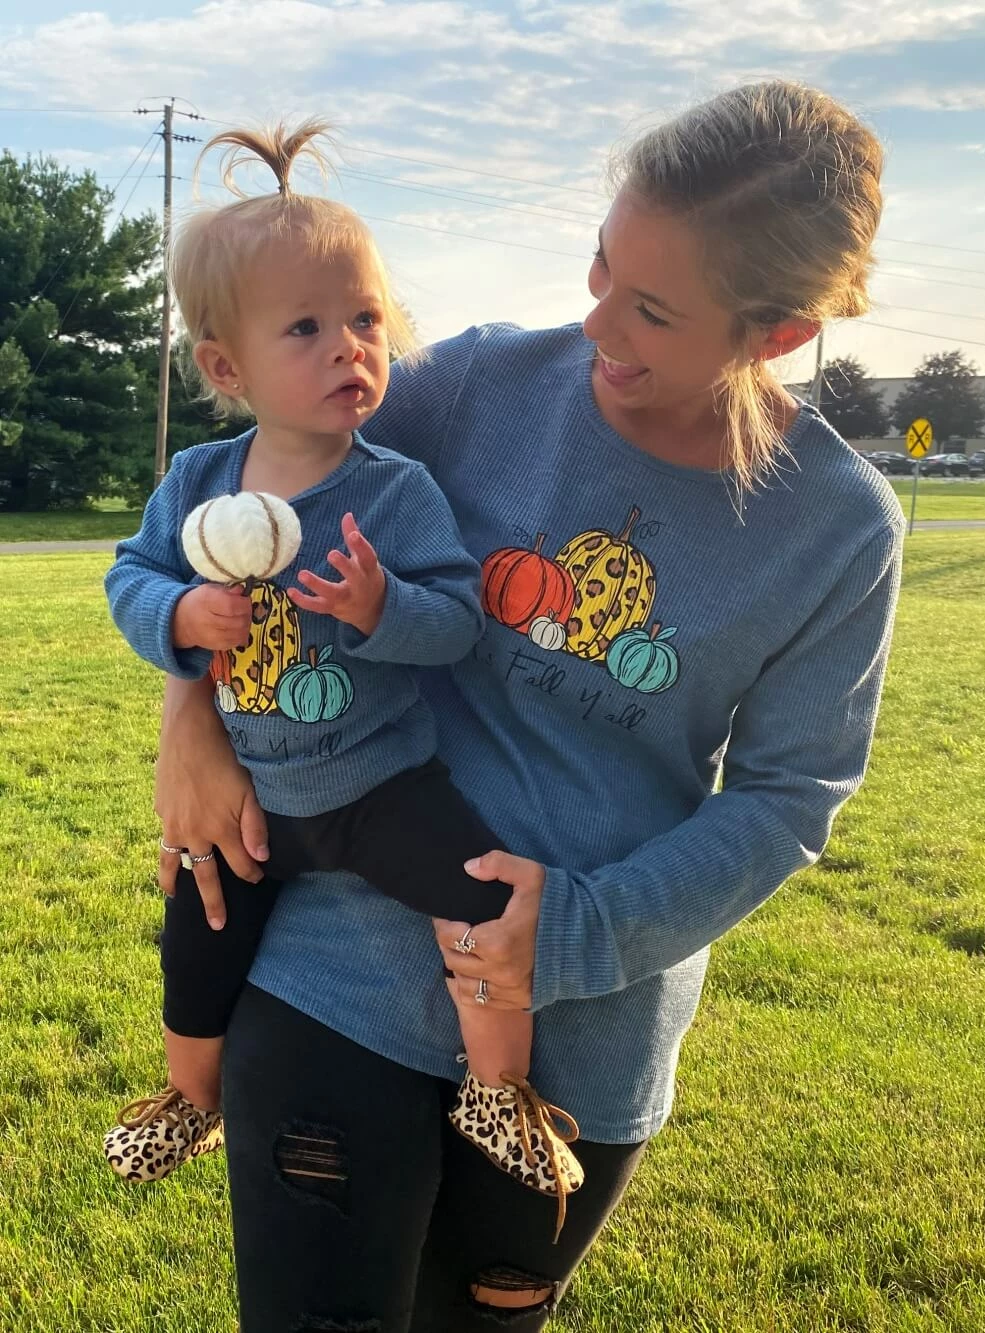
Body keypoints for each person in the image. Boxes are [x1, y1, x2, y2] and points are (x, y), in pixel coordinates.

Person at [151, 82, 904, 1331]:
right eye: (603, 262)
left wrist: (576, 934)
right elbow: (232, 497)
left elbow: (788, 797)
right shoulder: (478, 385)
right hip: (334, 965)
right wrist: (190, 718)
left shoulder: (836, 529)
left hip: (587, 1041)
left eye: (652, 308)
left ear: (774, 334)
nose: (596, 318)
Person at [101, 121, 584, 1217]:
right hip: (251, 803)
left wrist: (379, 608)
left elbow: (458, 620)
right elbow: (127, 580)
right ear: (227, 367)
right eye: (307, 327)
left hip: (379, 786)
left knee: (477, 908)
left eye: (366, 320)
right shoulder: (197, 482)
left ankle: (499, 1094)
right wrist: (180, 611)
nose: (349, 348)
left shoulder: (396, 490)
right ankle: (185, 1097)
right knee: (196, 948)